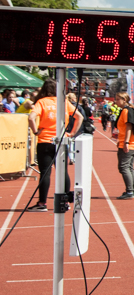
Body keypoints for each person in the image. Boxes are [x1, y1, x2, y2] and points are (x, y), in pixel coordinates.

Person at [27, 79, 83, 212]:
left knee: (45, 172)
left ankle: (42, 203)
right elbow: (79, 117)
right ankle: (65, 201)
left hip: (45, 141)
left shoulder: (42, 102)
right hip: (61, 140)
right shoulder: (63, 101)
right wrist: (72, 133)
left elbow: (30, 118)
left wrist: (35, 131)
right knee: (63, 172)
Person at [115, 92, 134, 200]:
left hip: (130, 143)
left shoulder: (126, 111)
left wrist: (126, 142)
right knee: (129, 167)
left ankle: (129, 191)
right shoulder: (129, 110)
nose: (116, 101)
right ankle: (133, 190)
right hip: (133, 143)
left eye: (117, 99)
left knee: (123, 167)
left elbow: (129, 127)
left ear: (124, 100)